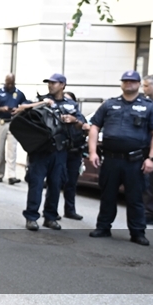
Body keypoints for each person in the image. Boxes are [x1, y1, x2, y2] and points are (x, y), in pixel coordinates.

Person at [87, 70, 153, 246]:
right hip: (111, 159)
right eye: (125, 81)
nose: (128, 84)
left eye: (132, 81)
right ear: (121, 83)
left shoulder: (149, 106)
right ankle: (103, 227)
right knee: (108, 195)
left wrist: (152, 159)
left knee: (135, 198)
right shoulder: (109, 104)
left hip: (135, 161)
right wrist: (93, 152)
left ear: (139, 84)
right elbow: (94, 127)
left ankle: (137, 232)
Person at [16, 73, 88, 231]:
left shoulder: (71, 104)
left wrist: (74, 120)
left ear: (63, 85)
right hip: (41, 149)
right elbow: (20, 108)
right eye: (49, 83)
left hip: (60, 150)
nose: (50, 85)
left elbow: (81, 125)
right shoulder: (41, 99)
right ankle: (31, 217)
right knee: (36, 184)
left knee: (56, 184)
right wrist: (43, 103)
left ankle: (50, 217)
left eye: (54, 83)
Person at [0, 73, 27, 184]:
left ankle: (11, 175)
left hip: (13, 123)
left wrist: (19, 109)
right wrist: (1, 109)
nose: (9, 85)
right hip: (1, 123)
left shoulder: (18, 93)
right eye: (7, 82)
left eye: (11, 83)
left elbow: (25, 105)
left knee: (12, 150)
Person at [61, 90, 87, 220]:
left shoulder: (79, 116)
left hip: (75, 153)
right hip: (60, 152)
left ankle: (70, 210)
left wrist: (75, 120)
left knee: (71, 183)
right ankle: (51, 212)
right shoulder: (56, 115)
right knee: (55, 182)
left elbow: (85, 128)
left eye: (69, 101)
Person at [143, 75, 153, 225]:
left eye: (146, 86)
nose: (144, 89)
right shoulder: (146, 104)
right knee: (150, 183)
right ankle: (148, 213)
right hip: (148, 147)